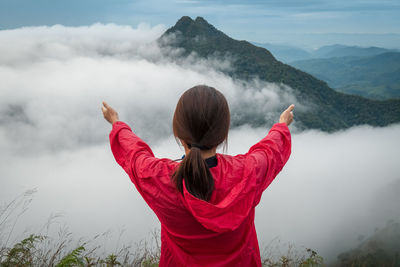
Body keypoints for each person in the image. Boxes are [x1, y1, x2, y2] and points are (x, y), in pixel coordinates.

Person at [102, 85, 293, 267]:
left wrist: (117, 123)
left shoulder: (158, 178)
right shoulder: (248, 173)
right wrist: (281, 125)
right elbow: (271, 151)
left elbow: (134, 155)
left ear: (177, 132)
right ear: (222, 134)